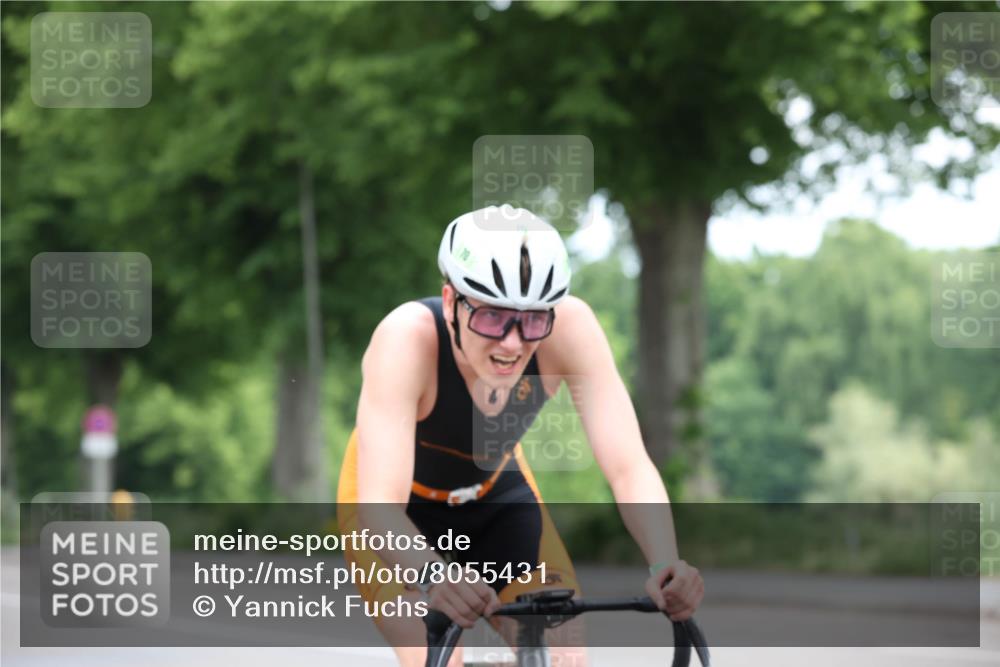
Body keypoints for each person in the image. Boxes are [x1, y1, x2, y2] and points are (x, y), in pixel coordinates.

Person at [337, 205, 703, 666]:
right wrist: (433, 577)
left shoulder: (570, 328)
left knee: (563, 657)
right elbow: (379, 508)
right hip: (397, 513)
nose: (512, 343)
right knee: (438, 655)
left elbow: (628, 467)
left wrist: (666, 563)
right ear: (450, 302)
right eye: (492, 316)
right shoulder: (405, 339)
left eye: (532, 320)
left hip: (494, 493)